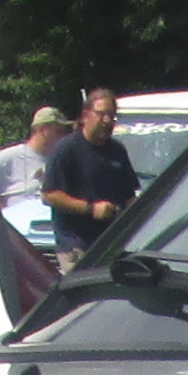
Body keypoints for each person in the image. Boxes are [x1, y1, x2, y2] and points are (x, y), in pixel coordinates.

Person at [40, 86, 138, 256]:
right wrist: (91, 209)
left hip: (112, 246)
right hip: (76, 248)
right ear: (85, 116)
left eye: (112, 116)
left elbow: (129, 197)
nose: (107, 120)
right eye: (101, 114)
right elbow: (49, 195)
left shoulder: (117, 150)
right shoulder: (67, 148)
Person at [0, 98, 65, 246]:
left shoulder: (61, 160)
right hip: (16, 237)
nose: (63, 136)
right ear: (42, 130)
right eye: (58, 131)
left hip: (50, 235)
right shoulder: (8, 158)